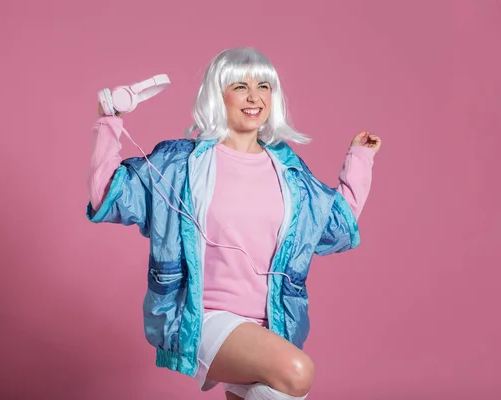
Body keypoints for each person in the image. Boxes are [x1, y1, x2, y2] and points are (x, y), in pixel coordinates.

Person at [87, 47, 381, 400]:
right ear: (218, 94)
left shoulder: (289, 172)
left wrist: (360, 159)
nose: (254, 96)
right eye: (240, 86)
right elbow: (108, 195)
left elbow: (335, 225)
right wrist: (109, 120)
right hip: (202, 318)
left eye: (264, 86)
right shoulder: (180, 164)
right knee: (296, 372)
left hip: (270, 324)